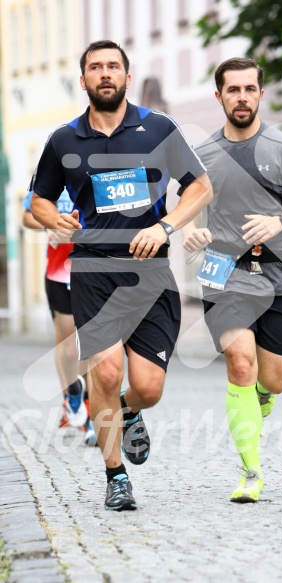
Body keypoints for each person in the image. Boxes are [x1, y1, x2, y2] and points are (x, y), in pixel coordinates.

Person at [30, 40, 212, 511]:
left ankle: (129, 412)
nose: (105, 73)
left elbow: (200, 187)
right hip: (92, 269)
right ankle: (116, 477)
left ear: (127, 77)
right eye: (96, 67)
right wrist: (53, 219)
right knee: (106, 374)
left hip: (150, 273)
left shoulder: (157, 129)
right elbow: (41, 198)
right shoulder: (64, 139)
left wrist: (165, 225)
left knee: (147, 386)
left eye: (113, 66)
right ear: (85, 78)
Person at [182, 57, 282, 503]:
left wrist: (280, 221)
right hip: (223, 270)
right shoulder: (201, 156)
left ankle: (259, 397)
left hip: (279, 272)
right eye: (232, 90)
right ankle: (250, 471)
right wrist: (191, 230)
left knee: (274, 379)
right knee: (240, 362)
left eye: (248, 89)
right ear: (219, 95)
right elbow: (185, 208)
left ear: (261, 93)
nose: (241, 97)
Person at [22, 189, 97, 446]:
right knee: (66, 345)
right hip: (58, 272)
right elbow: (27, 216)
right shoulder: (47, 172)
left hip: (90, 269)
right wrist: (49, 225)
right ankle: (71, 393)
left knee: (85, 344)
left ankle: (91, 417)